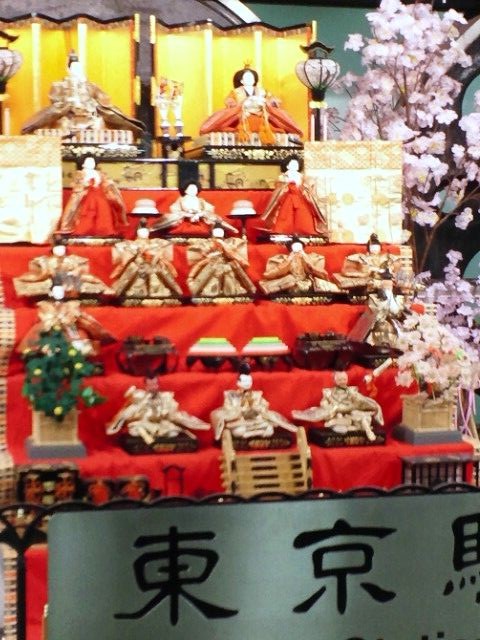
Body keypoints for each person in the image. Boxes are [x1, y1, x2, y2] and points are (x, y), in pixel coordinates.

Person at [21, 51, 145, 136]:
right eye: (74, 68)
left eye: (78, 68)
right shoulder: (58, 85)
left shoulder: (91, 86)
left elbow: (104, 100)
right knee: (62, 123)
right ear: (68, 69)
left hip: (89, 116)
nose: (76, 70)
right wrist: (69, 103)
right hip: (68, 117)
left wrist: (92, 104)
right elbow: (56, 103)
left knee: (99, 122)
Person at [199, 66, 302, 145]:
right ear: (241, 81)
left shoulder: (262, 91)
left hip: (261, 115)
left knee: (279, 114)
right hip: (243, 116)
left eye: (251, 77)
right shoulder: (236, 92)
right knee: (225, 115)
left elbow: (274, 100)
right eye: (247, 78)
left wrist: (264, 102)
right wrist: (244, 105)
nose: (250, 79)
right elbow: (230, 102)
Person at [107, 381, 210, 447]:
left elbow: (173, 413)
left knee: (172, 433)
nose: (152, 387)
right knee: (134, 432)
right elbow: (128, 413)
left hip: (161, 424)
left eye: (154, 384)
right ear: (145, 386)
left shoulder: (165, 397)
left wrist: (168, 413)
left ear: (158, 385)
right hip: (144, 423)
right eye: (150, 385)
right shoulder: (140, 398)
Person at [211, 363, 297, 440]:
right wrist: (240, 409)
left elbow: (264, 407)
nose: (245, 389)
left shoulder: (256, 395)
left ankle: (253, 434)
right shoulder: (231, 396)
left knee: (269, 429)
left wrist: (255, 407)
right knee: (238, 431)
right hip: (240, 421)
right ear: (238, 384)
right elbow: (228, 410)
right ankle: (248, 435)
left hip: (256, 420)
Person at [292, 370, 384, 442]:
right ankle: (336, 423)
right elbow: (323, 402)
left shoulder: (352, 390)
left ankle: (368, 431)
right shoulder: (329, 392)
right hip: (337, 411)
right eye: (340, 380)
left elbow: (358, 400)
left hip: (350, 410)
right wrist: (326, 403)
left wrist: (354, 398)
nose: (342, 381)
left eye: (344, 379)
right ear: (334, 380)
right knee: (333, 414)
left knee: (362, 417)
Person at [13, 236, 114, 299]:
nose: (60, 251)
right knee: (34, 280)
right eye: (57, 248)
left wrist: (75, 272)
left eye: (62, 248)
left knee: (89, 278)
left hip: (70, 278)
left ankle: (105, 287)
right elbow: (41, 273)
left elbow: (81, 269)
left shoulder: (72, 259)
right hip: (50, 278)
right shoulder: (45, 260)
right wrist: (47, 272)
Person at [110, 219, 183, 301]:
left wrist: (156, 257)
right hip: (138, 266)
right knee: (135, 274)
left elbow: (164, 255)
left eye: (146, 231)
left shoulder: (157, 243)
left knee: (157, 276)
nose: (144, 233)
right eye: (142, 231)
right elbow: (125, 256)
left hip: (154, 266)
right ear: (137, 232)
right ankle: (135, 292)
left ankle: (158, 292)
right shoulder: (131, 245)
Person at [258, 155, 328, 237]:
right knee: (286, 216)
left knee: (304, 216)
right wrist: (288, 186)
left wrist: (303, 188)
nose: (295, 166)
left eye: (296, 164)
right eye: (292, 164)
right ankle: (283, 232)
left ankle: (305, 232)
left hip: (301, 199)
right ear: (287, 166)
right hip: (287, 199)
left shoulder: (302, 177)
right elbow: (279, 189)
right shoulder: (282, 177)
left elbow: (308, 188)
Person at [58, 155, 128, 237]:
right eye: (88, 162)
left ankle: (104, 229)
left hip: (99, 193)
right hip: (85, 194)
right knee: (81, 208)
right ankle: (83, 229)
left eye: (93, 162)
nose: (91, 163)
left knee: (104, 207)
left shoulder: (99, 173)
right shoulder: (80, 173)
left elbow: (104, 182)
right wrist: (85, 185)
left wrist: (107, 184)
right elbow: (76, 184)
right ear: (83, 164)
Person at [187, 223, 256, 299]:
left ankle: (231, 292)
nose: (218, 240)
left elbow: (245, 264)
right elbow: (199, 264)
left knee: (228, 272)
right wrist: (191, 278)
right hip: (211, 270)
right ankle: (210, 293)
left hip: (228, 269)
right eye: (216, 238)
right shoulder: (207, 247)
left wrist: (228, 251)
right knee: (212, 276)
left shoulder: (231, 245)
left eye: (220, 238)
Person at [152, 180, 237, 236]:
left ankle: (230, 228)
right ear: (185, 190)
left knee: (215, 218)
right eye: (191, 189)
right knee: (170, 217)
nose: (193, 190)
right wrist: (186, 214)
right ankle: (153, 228)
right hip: (184, 220)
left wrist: (199, 214)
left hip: (200, 220)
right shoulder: (181, 200)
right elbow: (175, 209)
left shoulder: (201, 200)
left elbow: (208, 209)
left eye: (195, 189)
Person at [259, 237, 340, 296]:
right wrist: (288, 261)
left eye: (300, 248)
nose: (298, 250)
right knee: (289, 281)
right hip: (290, 282)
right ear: (290, 249)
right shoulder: (281, 259)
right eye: (295, 248)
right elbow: (269, 274)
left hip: (308, 282)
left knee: (319, 285)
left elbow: (322, 274)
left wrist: (307, 260)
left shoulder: (314, 257)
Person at [334, 233, 401, 291]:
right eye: (372, 247)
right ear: (368, 248)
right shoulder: (362, 257)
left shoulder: (387, 257)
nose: (375, 249)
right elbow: (347, 269)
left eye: (377, 247)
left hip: (385, 280)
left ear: (380, 248)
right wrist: (368, 271)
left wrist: (387, 270)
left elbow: (395, 268)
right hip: (367, 279)